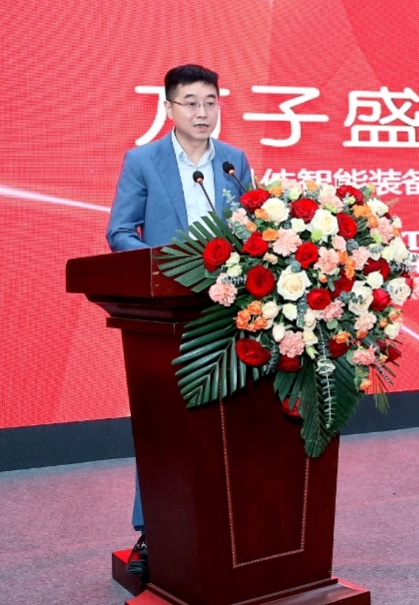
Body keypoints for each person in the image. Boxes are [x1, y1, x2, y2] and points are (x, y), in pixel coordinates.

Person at [106, 64, 255, 577]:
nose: (202, 112)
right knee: (165, 425)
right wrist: (168, 269)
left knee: (230, 420)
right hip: (169, 314)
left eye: (210, 102)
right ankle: (153, 528)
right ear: (169, 108)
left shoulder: (234, 161)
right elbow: (120, 232)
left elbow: (252, 229)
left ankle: (229, 522)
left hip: (230, 311)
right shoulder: (143, 161)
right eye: (190, 102)